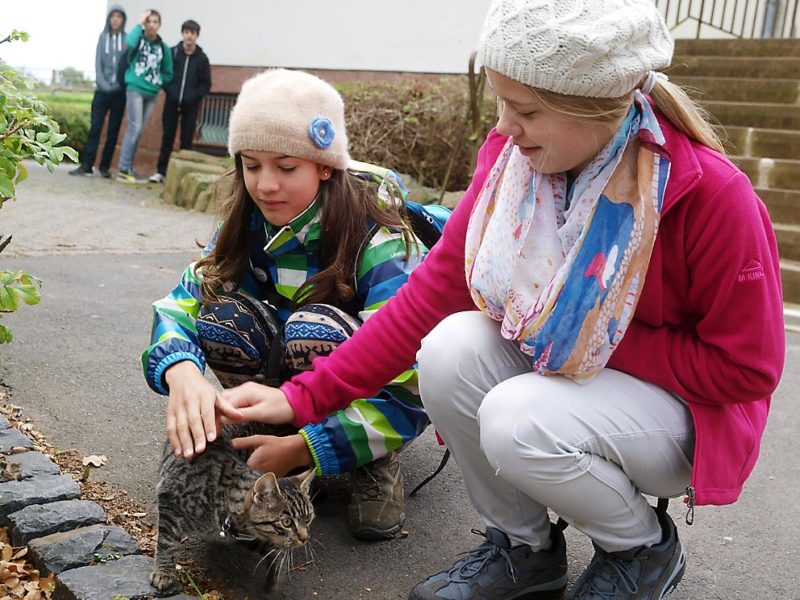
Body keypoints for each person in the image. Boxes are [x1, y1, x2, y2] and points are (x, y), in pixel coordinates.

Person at [209, 1, 785, 599]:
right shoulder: (516, 165)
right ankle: (523, 549)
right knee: (448, 348)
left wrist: (585, 334)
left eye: (527, 111)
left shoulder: (713, 196)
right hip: (565, 375)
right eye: (501, 102)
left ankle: (640, 549)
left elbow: (749, 368)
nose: (505, 126)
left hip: (681, 415)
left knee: (517, 418)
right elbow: (428, 296)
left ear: (593, 107)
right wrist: (299, 400)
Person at [142, 69, 431, 540]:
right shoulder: (248, 220)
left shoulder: (376, 234)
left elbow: (411, 378)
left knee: (314, 329)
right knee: (221, 317)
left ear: (324, 164)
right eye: (251, 165)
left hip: (353, 385)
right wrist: (181, 370)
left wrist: (312, 447)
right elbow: (181, 303)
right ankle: (266, 429)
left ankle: (368, 457)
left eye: (286, 166)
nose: (266, 185)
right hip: (283, 379)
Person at [149, 19, 211, 184]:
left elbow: (206, 84)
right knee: (167, 138)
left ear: (197, 36)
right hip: (171, 102)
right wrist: (170, 90)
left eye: (193, 33)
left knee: (186, 140)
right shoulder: (172, 52)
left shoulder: (202, 58)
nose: (189, 36)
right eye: (187, 32)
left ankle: (181, 177)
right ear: (182, 34)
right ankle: (161, 172)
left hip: (190, 106)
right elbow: (164, 72)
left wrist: (193, 95)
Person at [70, 4, 127, 178]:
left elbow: (127, 65)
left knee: (113, 131)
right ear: (109, 19)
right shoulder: (103, 38)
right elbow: (98, 64)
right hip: (102, 91)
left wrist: (117, 85)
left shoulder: (127, 40)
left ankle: (104, 167)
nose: (116, 19)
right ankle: (86, 165)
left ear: (123, 20)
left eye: (119, 16)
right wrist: (104, 85)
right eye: (113, 16)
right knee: (95, 128)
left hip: (119, 92)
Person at [116, 9, 172, 183]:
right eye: (149, 21)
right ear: (145, 24)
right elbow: (129, 43)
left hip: (151, 92)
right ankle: (123, 168)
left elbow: (168, 72)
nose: (152, 25)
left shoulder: (164, 48)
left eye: (155, 22)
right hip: (135, 88)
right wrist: (139, 24)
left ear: (159, 25)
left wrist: (158, 82)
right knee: (134, 126)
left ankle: (129, 168)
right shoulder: (138, 39)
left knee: (139, 130)